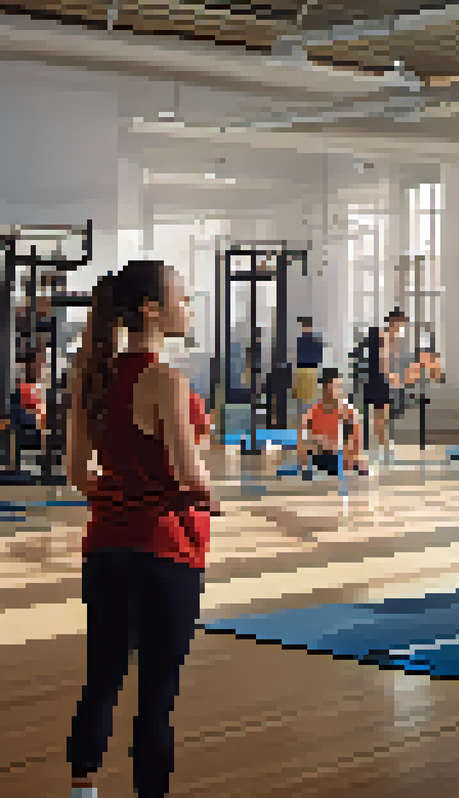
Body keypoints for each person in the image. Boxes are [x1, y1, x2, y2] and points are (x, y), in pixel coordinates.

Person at [63, 260, 218, 798]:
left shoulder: (89, 377)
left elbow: (78, 473)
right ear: (151, 309)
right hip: (165, 550)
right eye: (182, 298)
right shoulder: (165, 379)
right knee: (157, 693)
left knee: (101, 677)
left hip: (105, 546)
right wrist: (208, 496)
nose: (188, 307)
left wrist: (122, 496)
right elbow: (188, 474)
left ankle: (83, 789)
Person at [299, 367, 368, 478]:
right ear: (324, 388)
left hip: (342, 456)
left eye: (336, 387)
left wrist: (356, 458)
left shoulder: (347, 411)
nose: (333, 392)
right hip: (322, 456)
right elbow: (305, 439)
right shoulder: (313, 411)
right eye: (330, 387)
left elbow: (354, 440)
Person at [362, 309, 408, 459]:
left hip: (375, 380)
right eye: (400, 324)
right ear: (394, 322)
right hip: (380, 382)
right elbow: (383, 362)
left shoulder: (382, 336)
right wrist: (393, 378)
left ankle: (382, 448)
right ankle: (385, 449)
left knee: (380, 417)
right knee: (382, 417)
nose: (400, 328)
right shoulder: (385, 337)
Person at [292, 316, 324, 420]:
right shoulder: (300, 341)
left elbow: (319, 359)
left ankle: (309, 420)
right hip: (303, 371)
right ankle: (305, 420)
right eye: (303, 327)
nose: (303, 329)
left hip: (310, 372)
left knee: (310, 400)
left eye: (305, 326)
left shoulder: (315, 342)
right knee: (302, 400)